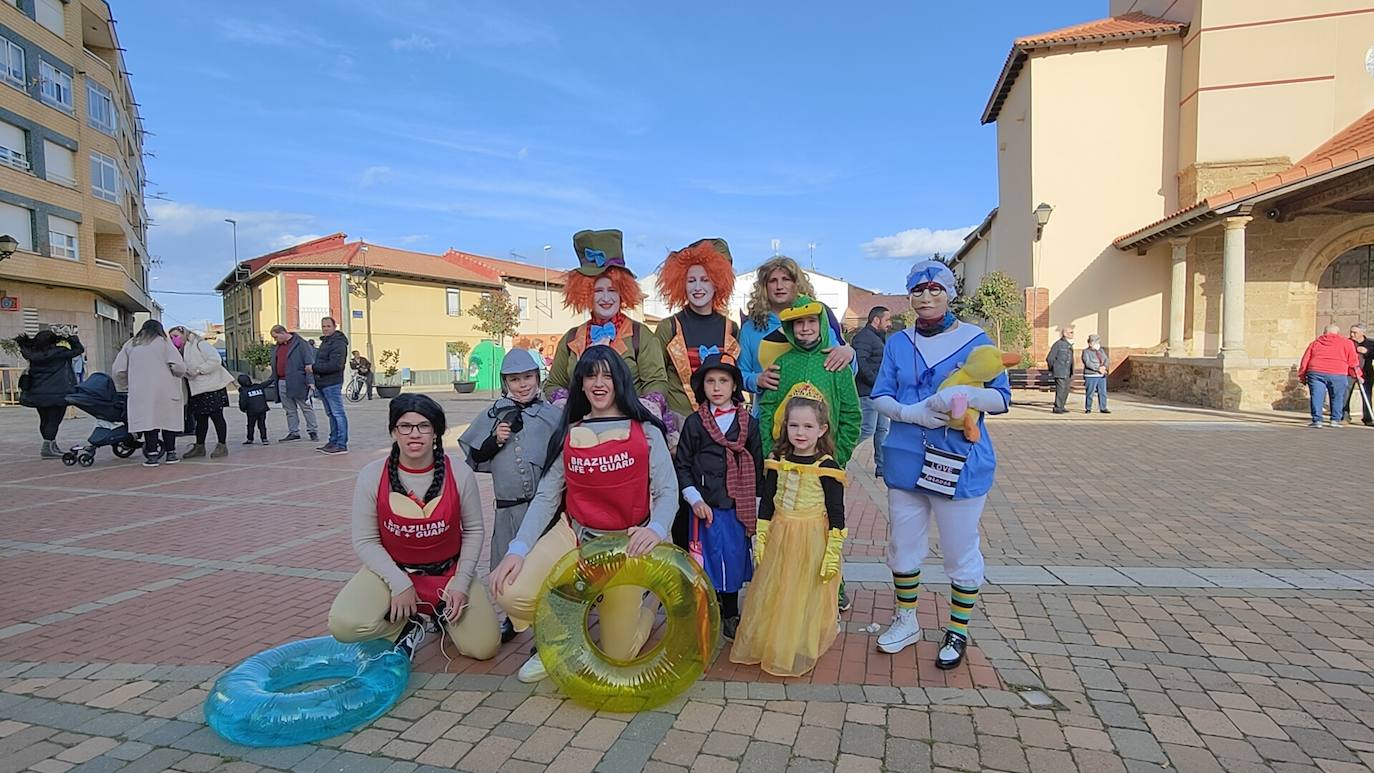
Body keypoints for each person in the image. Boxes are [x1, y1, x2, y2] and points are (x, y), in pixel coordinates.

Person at [489, 347, 677, 684]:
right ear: (581, 383)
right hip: (575, 535)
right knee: (509, 591)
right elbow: (547, 496)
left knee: (619, 654)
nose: (599, 383)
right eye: (591, 375)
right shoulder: (569, 432)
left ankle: (648, 605)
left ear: (620, 380)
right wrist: (517, 550)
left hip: (625, 546)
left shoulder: (647, 431)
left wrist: (657, 528)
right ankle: (560, 640)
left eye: (607, 374)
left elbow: (668, 492)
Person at [870, 259, 1011, 670]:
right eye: (918, 290)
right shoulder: (898, 342)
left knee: (959, 550)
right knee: (903, 546)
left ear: (950, 293)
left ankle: (958, 629)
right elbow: (880, 395)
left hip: (959, 461)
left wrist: (962, 399)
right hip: (907, 460)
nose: (926, 297)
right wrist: (912, 413)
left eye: (935, 289)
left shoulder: (976, 338)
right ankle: (907, 619)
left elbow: (1002, 398)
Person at [328, 394, 501, 662]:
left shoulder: (459, 473)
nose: (414, 434)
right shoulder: (373, 475)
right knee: (344, 624)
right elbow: (365, 540)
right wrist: (398, 583)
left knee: (484, 648)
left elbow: (474, 530)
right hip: (392, 573)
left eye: (424, 426)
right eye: (405, 426)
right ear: (393, 432)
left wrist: (461, 584)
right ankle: (407, 626)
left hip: (448, 574)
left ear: (436, 433)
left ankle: (441, 618)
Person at [730, 383, 847, 677]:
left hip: (810, 537)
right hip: (781, 533)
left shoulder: (827, 467)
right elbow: (767, 501)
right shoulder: (777, 461)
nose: (800, 432)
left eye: (808, 426)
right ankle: (771, 640)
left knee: (802, 589)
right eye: (794, 425)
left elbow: (836, 511)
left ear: (822, 429)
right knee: (776, 587)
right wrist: (762, 534)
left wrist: (833, 549)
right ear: (785, 427)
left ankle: (797, 642)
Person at [458, 349, 562, 643]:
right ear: (505, 382)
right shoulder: (493, 415)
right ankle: (511, 617)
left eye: (528, 377)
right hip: (509, 509)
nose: (522, 384)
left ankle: (548, 621)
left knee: (547, 567)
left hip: (545, 509)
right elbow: (475, 456)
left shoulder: (552, 415)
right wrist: (494, 441)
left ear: (538, 378)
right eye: (514, 379)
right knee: (505, 564)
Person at [673, 353, 762, 641]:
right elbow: (682, 464)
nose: (717, 387)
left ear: (735, 385)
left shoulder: (749, 423)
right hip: (704, 508)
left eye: (724, 380)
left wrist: (757, 503)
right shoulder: (695, 423)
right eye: (710, 381)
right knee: (705, 561)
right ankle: (706, 612)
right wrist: (693, 498)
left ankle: (730, 612)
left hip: (737, 507)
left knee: (734, 559)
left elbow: (757, 465)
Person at [544, 229, 670, 424]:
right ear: (585, 294)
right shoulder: (571, 338)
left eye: (612, 290)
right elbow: (553, 383)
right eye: (597, 291)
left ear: (622, 293)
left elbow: (656, 381)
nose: (605, 298)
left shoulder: (640, 335)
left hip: (630, 428)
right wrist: (564, 402)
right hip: (582, 429)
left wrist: (645, 409)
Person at [756, 296, 862, 467]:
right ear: (790, 327)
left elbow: (851, 414)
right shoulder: (782, 363)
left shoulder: (837, 363)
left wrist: (839, 455)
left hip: (825, 459)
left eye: (812, 321)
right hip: (784, 459)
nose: (805, 328)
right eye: (799, 323)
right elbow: (767, 408)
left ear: (822, 323)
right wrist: (769, 448)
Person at [738, 255, 855, 404]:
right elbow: (738, 375)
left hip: (816, 419)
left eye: (786, 279)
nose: (779, 286)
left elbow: (845, 369)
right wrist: (757, 380)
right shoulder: (750, 328)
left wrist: (849, 353)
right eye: (773, 281)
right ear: (764, 287)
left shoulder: (818, 320)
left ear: (797, 284)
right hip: (767, 419)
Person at [653, 238, 741, 420]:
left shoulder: (731, 328)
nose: (698, 287)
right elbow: (656, 379)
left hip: (724, 426)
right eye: (691, 280)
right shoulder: (667, 328)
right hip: (680, 428)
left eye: (705, 280)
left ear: (717, 283)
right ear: (682, 284)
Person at [113, 320, 188, 467]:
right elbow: (179, 366)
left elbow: (118, 370)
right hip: (166, 389)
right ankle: (171, 454)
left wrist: (125, 384)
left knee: (149, 421)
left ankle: (152, 456)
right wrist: (176, 374)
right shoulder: (165, 343)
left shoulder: (131, 344)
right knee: (168, 421)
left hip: (141, 391)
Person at [16, 329, 84, 458]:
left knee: (44, 420)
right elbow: (78, 350)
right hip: (57, 392)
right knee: (54, 420)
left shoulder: (32, 354)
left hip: (37, 393)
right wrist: (71, 339)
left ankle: (50, 445)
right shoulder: (60, 353)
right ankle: (48, 448)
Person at [170, 326, 236, 459]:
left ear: (184, 334)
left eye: (176, 336)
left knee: (217, 417)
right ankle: (200, 446)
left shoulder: (200, 344)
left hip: (212, 386)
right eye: (171, 337)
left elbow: (215, 360)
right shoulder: (179, 350)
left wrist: (199, 370)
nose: (173, 340)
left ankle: (222, 445)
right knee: (200, 419)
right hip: (196, 389)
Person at [853, 306, 891, 477]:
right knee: (867, 429)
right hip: (868, 392)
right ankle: (838, 454)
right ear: (876, 320)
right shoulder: (864, 338)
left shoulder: (877, 337)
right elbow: (860, 363)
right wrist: (875, 383)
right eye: (887, 320)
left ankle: (882, 468)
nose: (889, 324)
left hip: (880, 393)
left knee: (882, 429)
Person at [1298, 323, 1359, 428]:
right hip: (1338, 373)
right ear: (1337, 333)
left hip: (1316, 372)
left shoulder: (1315, 343)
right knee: (1337, 397)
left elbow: (1305, 361)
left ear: (1324, 332)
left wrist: (1302, 375)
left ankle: (1317, 421)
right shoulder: (1347, 343)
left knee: (1317, 396)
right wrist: (1357, 374)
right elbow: (1353, 361)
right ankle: (1335, 420)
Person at [265, 324, 318, 442]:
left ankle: (312, 430)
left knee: (306, 406)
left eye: (276, 337)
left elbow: (308, 363)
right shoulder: (277, 347)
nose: (275, 340)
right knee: (289, 409)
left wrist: (310, 381)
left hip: (298, 381)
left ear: (283, 333)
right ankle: (294, 432)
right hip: (282, 381)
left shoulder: (301, 344)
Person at [312, 317, 350, 454]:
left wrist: (314, 368)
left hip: (332, 383)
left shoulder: (338, 343)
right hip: (322, 383)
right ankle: (333, 440)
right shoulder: (326, 342)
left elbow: (336, 365)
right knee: (331, 414)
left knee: (338, 414)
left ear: (335, 326)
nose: (325, 328)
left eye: (328, 326)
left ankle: (341, 444)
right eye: (323, 326)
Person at [1344, 324, 1372, 426]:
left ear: (1362, 333)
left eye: (1355, 332)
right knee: (1346, 395)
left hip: (1366, 373)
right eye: (1351, 332)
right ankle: (1345, 417)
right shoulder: (1347, 343)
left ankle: (1368, 418)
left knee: (1367, 395)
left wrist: (1367, 351)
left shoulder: (1370, 343)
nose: (1352, 334)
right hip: (1349, 373)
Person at [1047, 325, 1075, 414]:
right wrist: (1054, 368)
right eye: (1071, 332)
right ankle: (1057, 407)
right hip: (1060, 371)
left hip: (1068, 372)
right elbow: (1050, 358)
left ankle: (1062, 406)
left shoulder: (1069, 345)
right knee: (1060, 390)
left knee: (1066, 390)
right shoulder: (1058, 344)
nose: (1073, 334)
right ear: (1065, 333)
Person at [237, 374, 271, 445]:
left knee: (250, 425)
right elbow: (266, 384)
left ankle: (250, 439)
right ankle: (264, 439)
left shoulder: (243, 391)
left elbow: (242, 402)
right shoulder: (258, 386)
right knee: (262, 424)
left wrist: (243, 409)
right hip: (262, 409)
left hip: (251, 411)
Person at [1082, 334, 1111, 414]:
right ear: (1090, 343)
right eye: (1094, 342)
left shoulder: (1101, 351)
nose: (1096, 344)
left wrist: (1104, 367)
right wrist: (1098, 369)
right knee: (1090, 392)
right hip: (1091, 375)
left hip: (1101, 375)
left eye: (1097, 342)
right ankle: (1088, 408)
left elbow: (1106, 360)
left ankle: (1103, 407)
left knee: (1102, 392)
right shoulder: (1086, 352)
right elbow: (1088, 363)